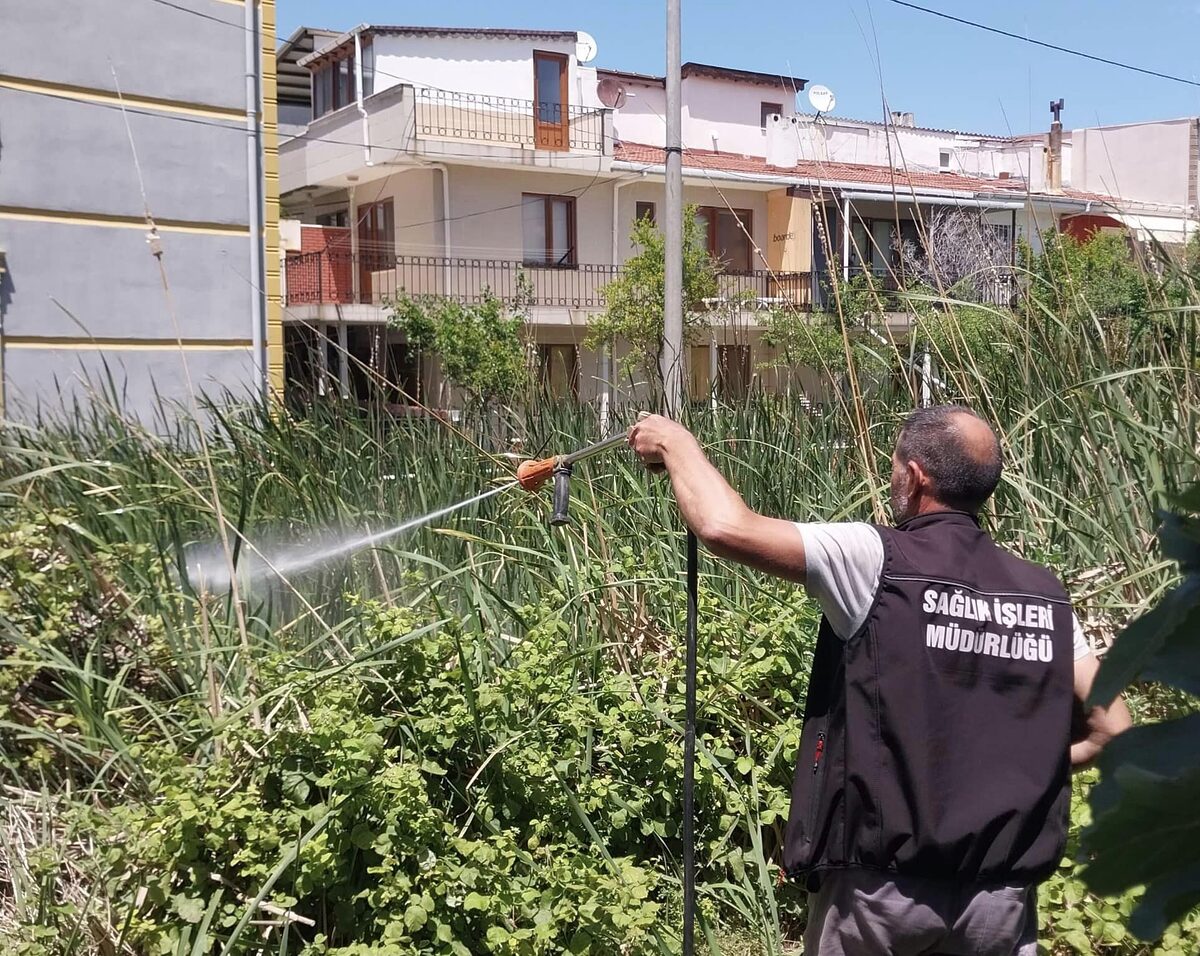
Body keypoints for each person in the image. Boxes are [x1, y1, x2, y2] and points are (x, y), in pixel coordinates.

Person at [627, 405, 1130, 956]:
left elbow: (725, 527)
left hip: (881, 893)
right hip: (1001, 899)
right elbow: (1114, 728)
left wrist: (675, 443)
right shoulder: (1042, 594)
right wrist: (1021, 767)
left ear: (914, 477)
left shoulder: (877, 559)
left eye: (895, 464)